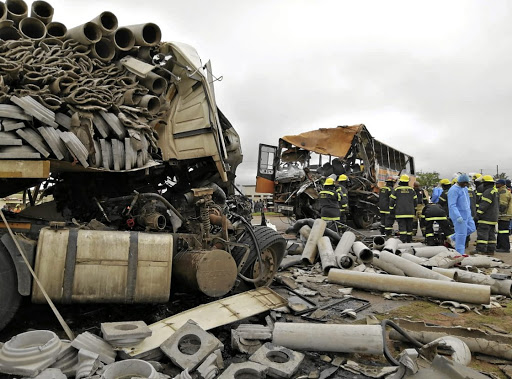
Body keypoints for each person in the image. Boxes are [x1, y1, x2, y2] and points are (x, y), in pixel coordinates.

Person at [447, 173, 476, 255]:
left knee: (472, 228)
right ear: (459, 181)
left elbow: (467, 202)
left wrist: (469, 214)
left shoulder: (464, 189)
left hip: (467, 214)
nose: (466, 184)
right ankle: (459, 253)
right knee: (461, 235)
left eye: (467, 182)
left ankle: (452, 237)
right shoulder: (453, 190)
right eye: (464, 182)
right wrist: (458, 216)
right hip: (458, 215)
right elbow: (452, 205)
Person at [389, 174, 417, 242]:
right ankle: (409, 240)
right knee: (409, 228)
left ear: (400, 181)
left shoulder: (396, 190)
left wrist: (391, 209)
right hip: (410, 212)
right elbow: (415, 201)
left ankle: (403, 241)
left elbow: (392, 201)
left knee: (402, 228)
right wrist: (414, 209)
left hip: (400, 212)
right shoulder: (412, 190)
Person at [475, 175, 499, 255]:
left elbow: (484, 205)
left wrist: (478, 214)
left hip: (486, 218)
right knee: (491, 235)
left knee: (482, 234)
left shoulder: (487, 192)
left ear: (485, 183)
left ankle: (480, 250)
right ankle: (490, 250)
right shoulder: (495, 191)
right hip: (493, 217)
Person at [496, 179, 512, 252]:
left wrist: (499, 213)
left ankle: (505, 247)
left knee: (503, 232)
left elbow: (503, 205)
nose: (496, 185)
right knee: (501, 231)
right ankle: (500, 246)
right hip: (505, 215)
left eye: (497, 184)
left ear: (501, 184)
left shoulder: (503, 192)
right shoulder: (504, 191)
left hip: (504, 216)